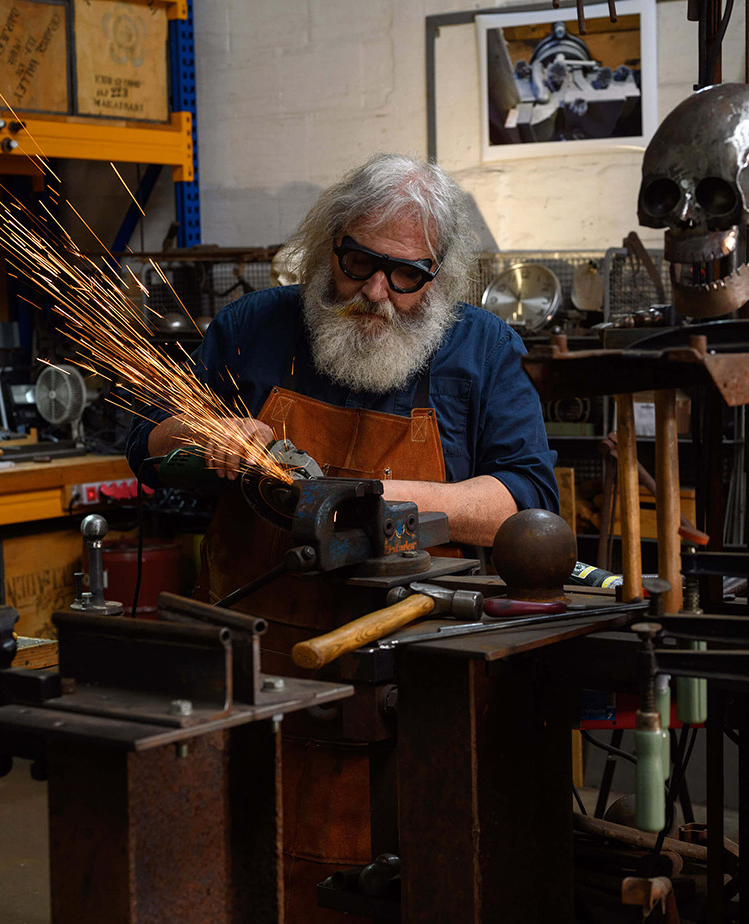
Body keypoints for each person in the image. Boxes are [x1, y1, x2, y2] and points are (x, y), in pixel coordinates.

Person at [124, 153, 557, 920]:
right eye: (359, 262)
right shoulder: (253, 329)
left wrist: (370, 496)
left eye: (406, 276)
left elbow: (523, 499)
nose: (374, 294)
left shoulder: (480, 349)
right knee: (248, 868)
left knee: (412, 874)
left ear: (441, 275)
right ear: (330, 242)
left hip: (413, 673)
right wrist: (203, 432)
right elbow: (142, 444)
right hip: (255, 671)